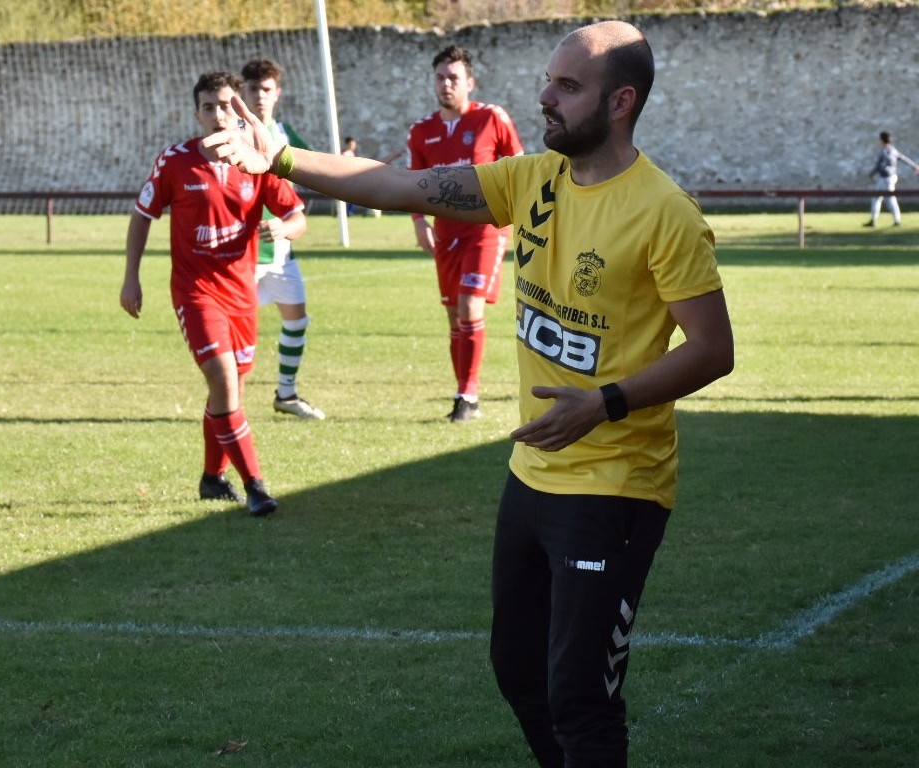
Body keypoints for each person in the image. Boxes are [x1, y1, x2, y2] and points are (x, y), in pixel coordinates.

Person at [207, 19, 735, 767]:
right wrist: (283, 158)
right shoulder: (532, 180)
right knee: (518, 672)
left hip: (617, 486)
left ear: (621, 101)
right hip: (531, 478)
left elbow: (714, 351)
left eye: (567, 86)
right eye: (550, 79)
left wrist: (605, 401)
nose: (545, 96)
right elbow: (398, 185)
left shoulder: (664, 213)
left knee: (583, 699)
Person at [120, 71, 307, 516]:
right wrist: (131, 277)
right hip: (195, 292)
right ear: (196, 112)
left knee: (230, 392)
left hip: (242, 294)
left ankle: (211, 477)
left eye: (225, 105)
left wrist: (283, 227)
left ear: (237, 108)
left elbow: (298, 216)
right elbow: (142, 214)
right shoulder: (176, 161)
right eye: (208, 106)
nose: (218, 114)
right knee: (224, 381)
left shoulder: (257, 159)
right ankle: (256, 485)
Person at [407, 45, 524, 423]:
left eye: (454, 77)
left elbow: (519, 167)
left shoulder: (492, 118)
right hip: (445, 233)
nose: (446, 84)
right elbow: (414, 183)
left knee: (470, 306)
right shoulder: (422, 131)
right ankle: (462, 390)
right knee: (454, 317)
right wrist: (419, 223)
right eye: (440, 77)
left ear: (470, 82)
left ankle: (467, 397)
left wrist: (523, 218)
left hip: (485, 230)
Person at [240, 58, 325, 420]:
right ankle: (231, 405)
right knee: (238, 332)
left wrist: (345, 162)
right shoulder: (236, 133)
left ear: (278, 93)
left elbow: (316, 165)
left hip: (282, 247)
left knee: (297, 319)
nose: (259, 95)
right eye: (253, 88)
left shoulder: (285, 132)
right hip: (245, 252)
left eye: (266, 89)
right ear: (242, 92)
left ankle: (285, 394)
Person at [864, 130, 919, 228]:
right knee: (876, 198)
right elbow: (903, 158)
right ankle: (873, 220)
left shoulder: (886, 151)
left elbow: (880, 165)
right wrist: (914, 165)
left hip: (887, 178)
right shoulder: (893, 150)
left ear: (882, 140)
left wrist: (871, 174)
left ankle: (897, 221)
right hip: (885, 178)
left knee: (890, 199)